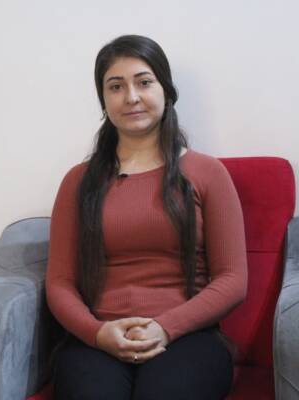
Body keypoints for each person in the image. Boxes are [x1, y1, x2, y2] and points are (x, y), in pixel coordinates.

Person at [45, 35, 247, 400]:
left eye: (144, 82)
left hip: (189, 337)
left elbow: (233, 279)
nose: (131, 97)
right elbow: (60, 282)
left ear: (166, 91)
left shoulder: (207, 173)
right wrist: (96, 332)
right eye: (116, 86)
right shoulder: (78, 181)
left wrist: (166, 327)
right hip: (98, 339)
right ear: (103, 101)